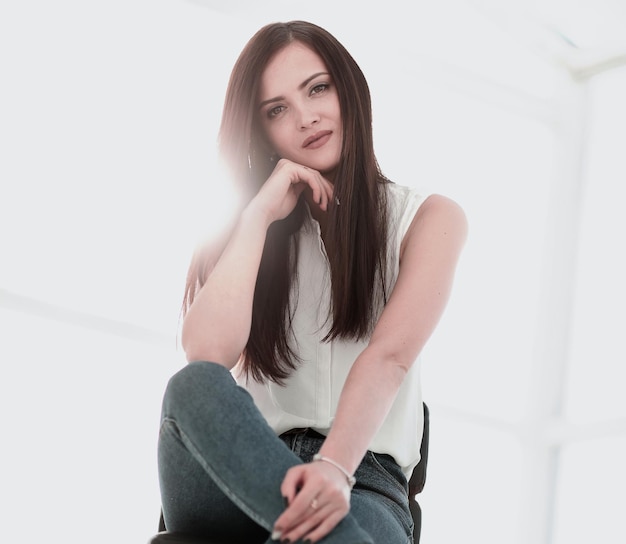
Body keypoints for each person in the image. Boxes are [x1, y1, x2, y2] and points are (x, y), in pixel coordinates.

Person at [157, 20, 467, 544]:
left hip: (362, 484)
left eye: (317, 88)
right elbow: (206, 357)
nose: (306, 117)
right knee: (191, 387)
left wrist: (333, 469)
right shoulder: (244, 231)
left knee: (344, 534)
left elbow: (388, 357)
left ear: (348, 89)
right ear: (260, 131)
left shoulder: (428, 218)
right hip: (236, 475)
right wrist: (257, 218)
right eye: (277, 110)